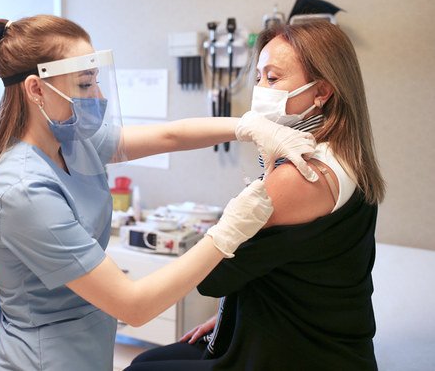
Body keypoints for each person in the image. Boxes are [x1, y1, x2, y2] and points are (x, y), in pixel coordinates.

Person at [0, 14, 320, 371]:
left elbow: (172, 136)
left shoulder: (73, 141)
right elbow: (134, 305)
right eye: (85, 84)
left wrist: (248, 127)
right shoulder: (21, 190)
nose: (98, 96)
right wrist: (227, 232)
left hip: (87, 350)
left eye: (97, 81)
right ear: (36, 89)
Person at [127, 21, 386, 371]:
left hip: (297, 354)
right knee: (153, 358)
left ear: (321, 91)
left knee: (142, 367)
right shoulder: (344, 155)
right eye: (259, 77)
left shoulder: (301, 175)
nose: (260, 89)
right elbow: (286, 265)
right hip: (325, 338)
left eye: (274, 78)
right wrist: (229, 316)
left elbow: (212, 277)